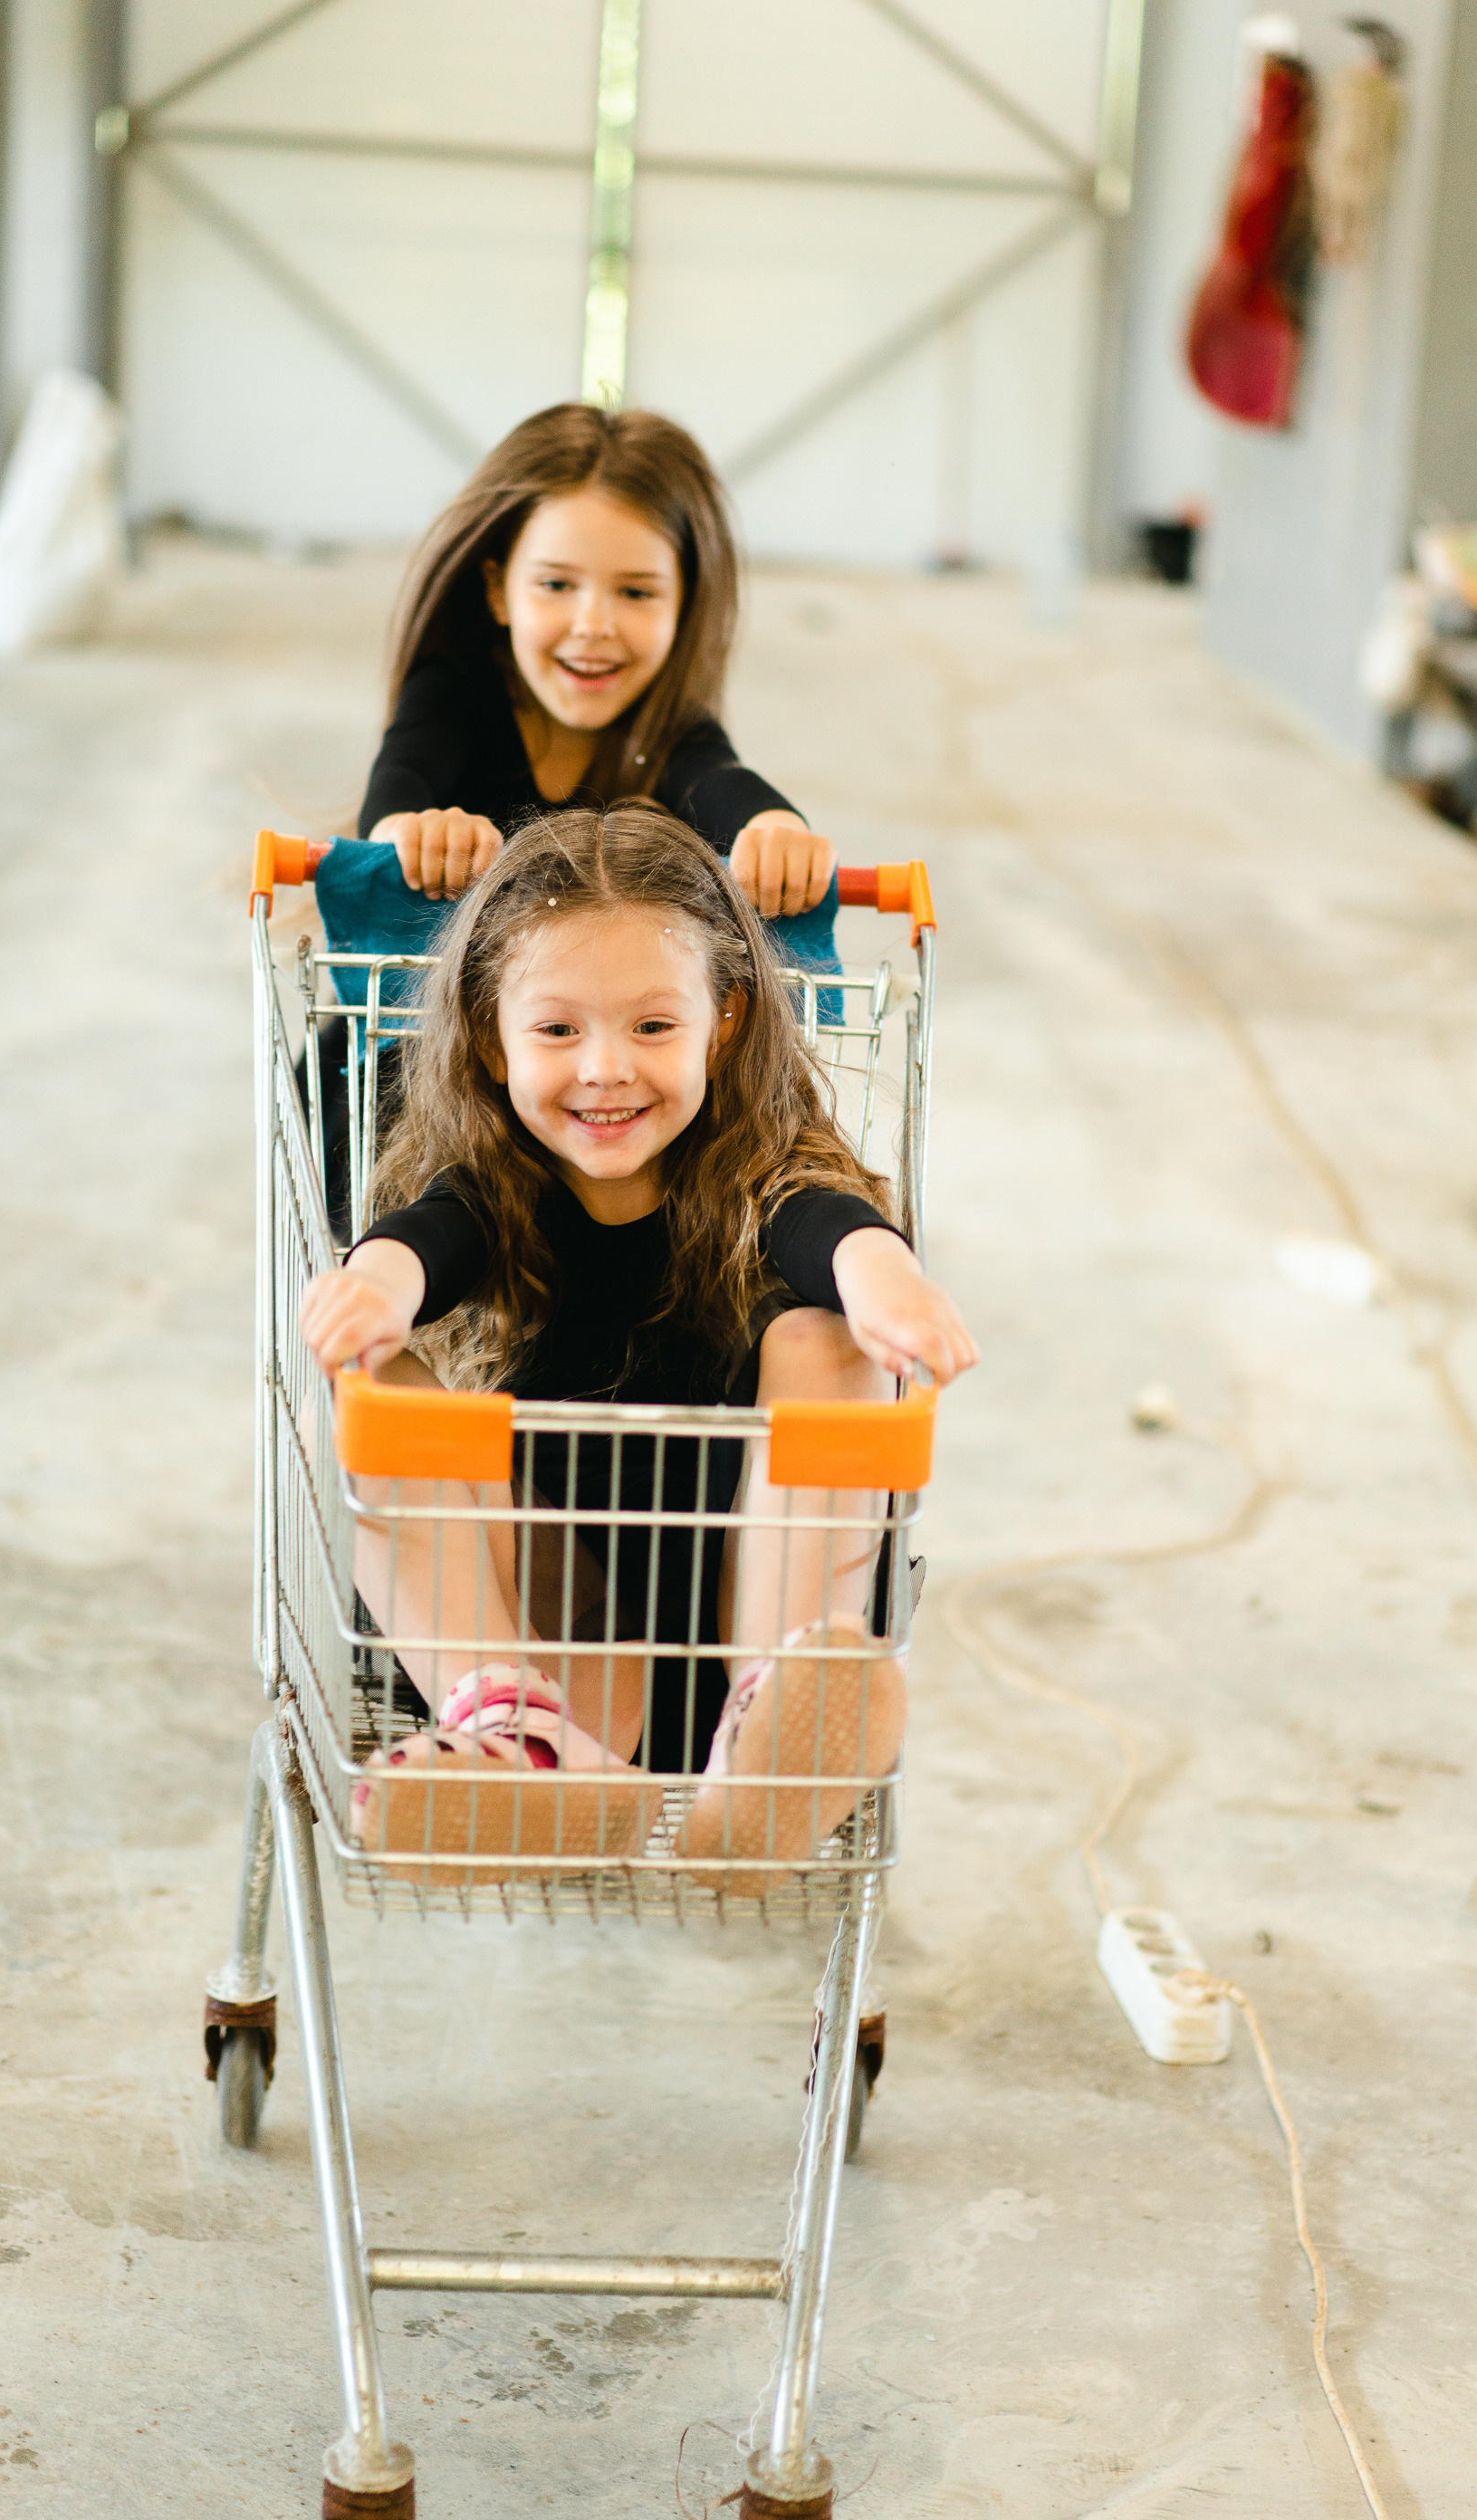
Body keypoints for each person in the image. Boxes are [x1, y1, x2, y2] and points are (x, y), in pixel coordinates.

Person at [299, 806, 978, 1883]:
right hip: (576, 1672)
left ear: (725, 1025)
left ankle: (775, 1739)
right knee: (374, 1378)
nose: (607, 1069)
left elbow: (825, 1222)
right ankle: (514, 1735)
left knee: (827, 1336)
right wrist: (377, 1283)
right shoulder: (498, 1185)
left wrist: (881, 1274)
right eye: (559, 1031)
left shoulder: (762, 1167)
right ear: (488, 1036)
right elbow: (431, 1235)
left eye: (654, 1029)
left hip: (747, 1647)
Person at [359, 399, 833, 920]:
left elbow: (720, 780)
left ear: (684, 604)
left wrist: (776, 830)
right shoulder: (454, 692)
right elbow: (399, 782)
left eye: (636, 593)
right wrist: (414, 831)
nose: (593, 625)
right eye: (556, 584)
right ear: (498, 591)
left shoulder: (671, 731)